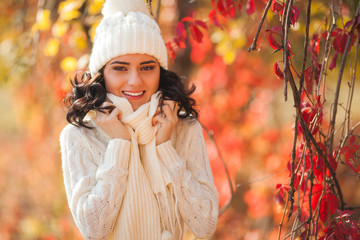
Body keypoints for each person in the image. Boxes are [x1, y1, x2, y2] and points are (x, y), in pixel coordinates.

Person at [59, 0, 219, 239]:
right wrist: (120, 146)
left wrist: (165, 148)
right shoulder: (80, 136)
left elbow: (205, 226)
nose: (134, 81)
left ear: (160, 72)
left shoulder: (183, 128)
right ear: (102, 74)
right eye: (120, 68)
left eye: (146, 68)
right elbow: (94, 229)